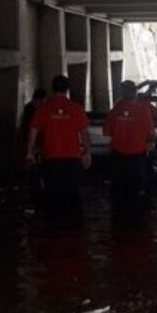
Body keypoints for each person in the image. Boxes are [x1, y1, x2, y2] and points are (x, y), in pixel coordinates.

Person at [25, 75, 91, 228]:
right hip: (72, 159)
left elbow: (33, 132)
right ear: (67, 89)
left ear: (52, 89)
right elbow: (85, 133)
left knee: (53, 194)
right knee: (72, 194)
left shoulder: (43, 109)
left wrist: (29, 153)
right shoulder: (76, 108)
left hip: (51, 159)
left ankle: (55, 230)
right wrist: (87, 152)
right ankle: (74, 231)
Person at [104, 80, 156, 223]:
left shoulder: (115, 111)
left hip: (118, 156)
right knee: (136, 190)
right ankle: (135, 221)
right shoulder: (143, 110)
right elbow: (151, 133)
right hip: (137, 157)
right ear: (134, 93)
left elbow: (107, 131)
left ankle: (120, 222)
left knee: (119, 190)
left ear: (122, 94)